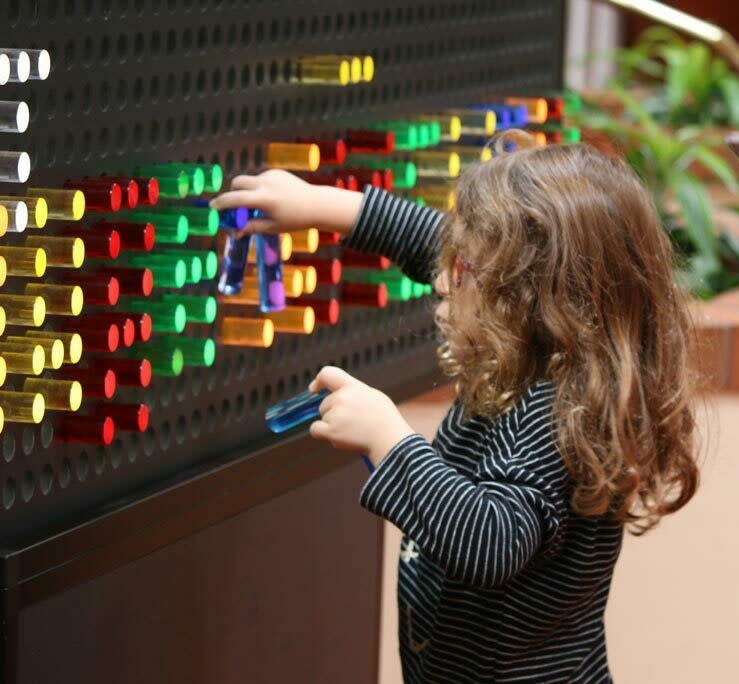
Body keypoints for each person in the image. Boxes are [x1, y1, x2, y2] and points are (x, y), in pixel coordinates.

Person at [211, 132, 700, 683]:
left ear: (531, 297)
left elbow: (489, 541)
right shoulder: (545, 345)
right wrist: (325, 205)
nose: (442, 278)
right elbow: (438, 241)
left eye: (463, 268)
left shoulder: (551, 418)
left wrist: (388, 438)